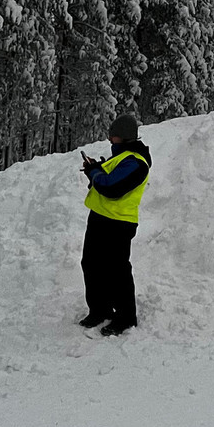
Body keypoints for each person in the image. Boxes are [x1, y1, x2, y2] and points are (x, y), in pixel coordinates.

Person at [78, 114, 152, 336]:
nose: (110, 139)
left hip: (118, 223)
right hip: (101, 218)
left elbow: (112, 188)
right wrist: (97, 169)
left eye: (114, 135)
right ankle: (99, 310)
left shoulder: (136, 162)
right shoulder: (122, 157)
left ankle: (125, 317)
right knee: (91, 265)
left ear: (125, 136)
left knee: (116, 271)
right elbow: (108, 179)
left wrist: (94, 172)